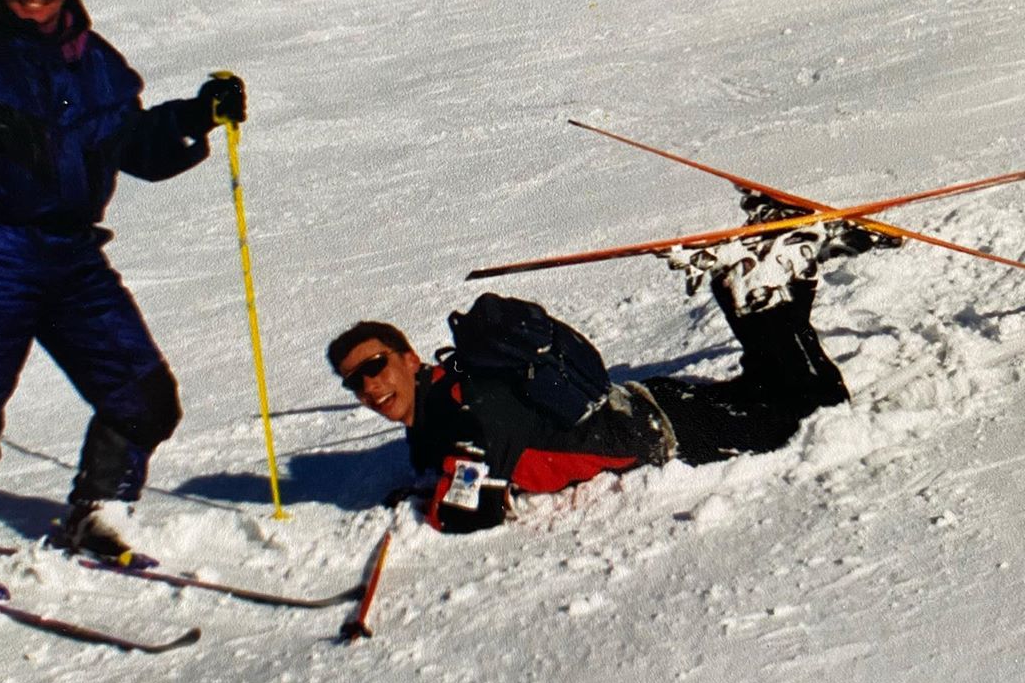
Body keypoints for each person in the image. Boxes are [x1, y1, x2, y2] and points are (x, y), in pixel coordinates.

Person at [0, 0, 247, 586]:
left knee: (143, 395)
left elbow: (133, 147)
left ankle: (99, 507)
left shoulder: (98, 66)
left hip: (73, 255)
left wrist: (197, 116)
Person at [329, 197, 894, 533]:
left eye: (376, 364)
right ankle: (753, 271)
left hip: (667, 432)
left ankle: (769, 272)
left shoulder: (461, 418)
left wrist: (428, 501)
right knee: (772, 383)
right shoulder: (449, 390)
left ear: (408, 358)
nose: (370, 384)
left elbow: (470, 514)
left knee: (817, 408)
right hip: (647, 406)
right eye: (355, 379)